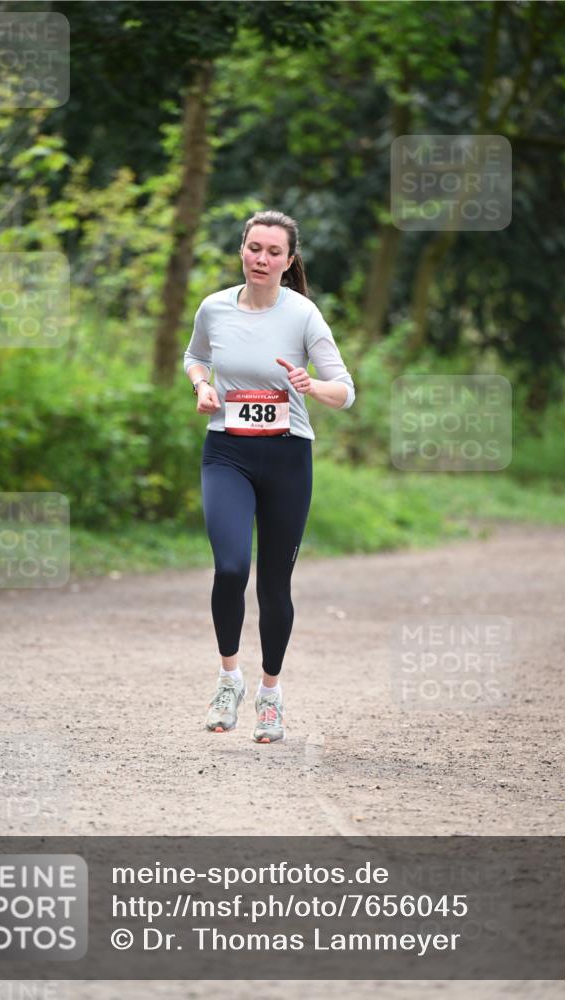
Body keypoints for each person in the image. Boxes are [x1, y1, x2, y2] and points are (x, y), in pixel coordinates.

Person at [183, 209, 355, 743]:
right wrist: (201, 385)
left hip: (286, 457)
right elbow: (194, 356)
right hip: (227, 452)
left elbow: (344, 391)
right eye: (254, 248)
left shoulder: (302, 315)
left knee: (274, 584)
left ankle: (270, 693)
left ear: (289, 260)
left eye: (273, 252)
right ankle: (229, 678)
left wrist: (309, 385)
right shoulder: (213, 308)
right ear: (242, 250)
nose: (262, 259)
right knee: (231, 567)